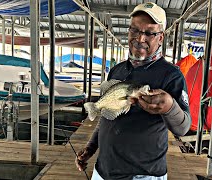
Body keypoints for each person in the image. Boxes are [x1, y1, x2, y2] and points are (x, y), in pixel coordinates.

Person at [75, 2, 192, 180]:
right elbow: (107, 114)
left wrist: (169, 107)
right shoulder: (117, 70)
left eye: (149, 33)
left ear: (160, 38)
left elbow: (183, 127)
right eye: (135, 30)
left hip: (143, 175)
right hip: (103, 170)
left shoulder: (172, 75)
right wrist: (91, 147)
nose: (140, 38)